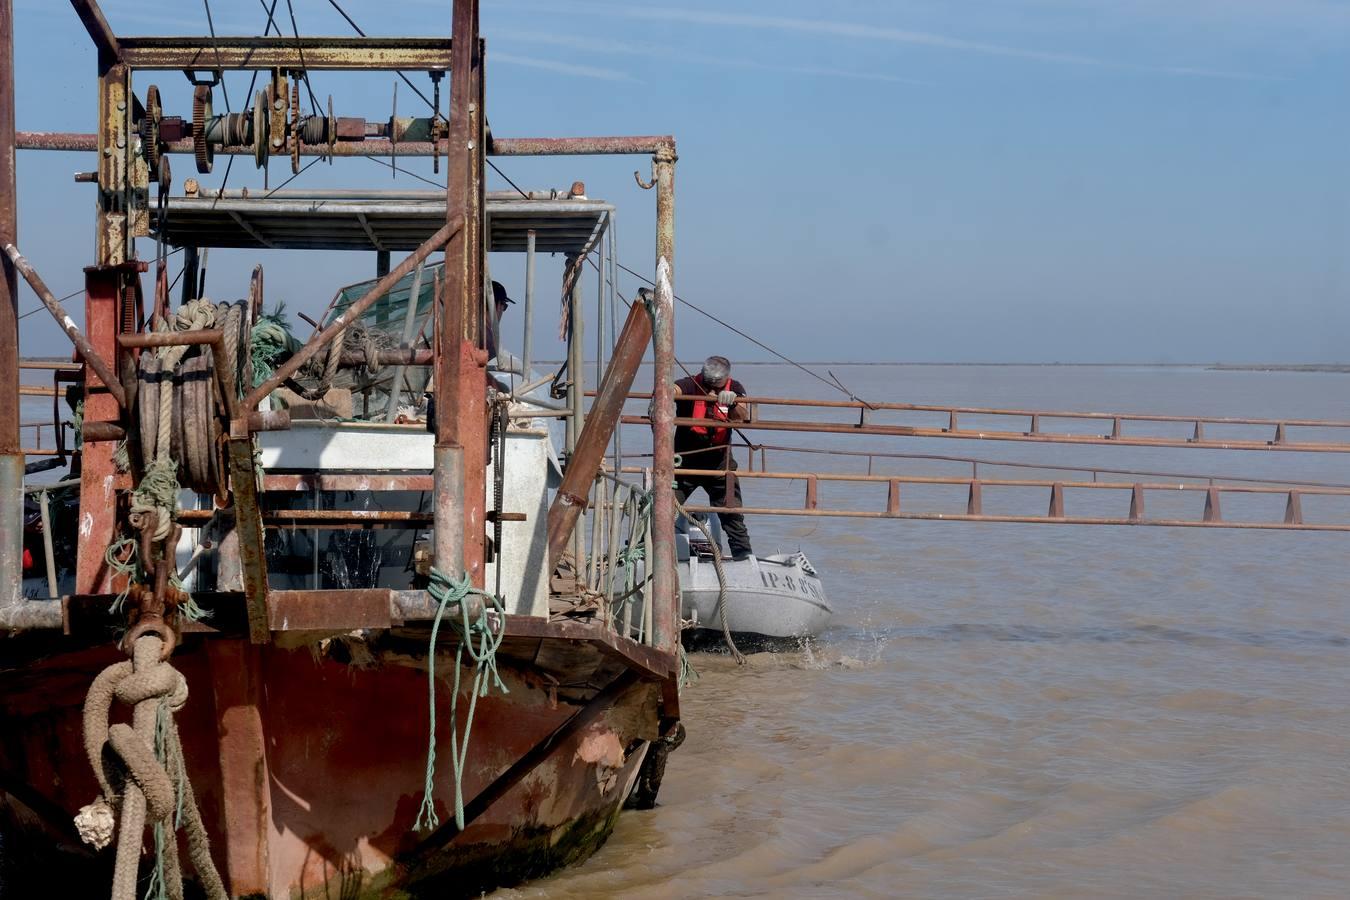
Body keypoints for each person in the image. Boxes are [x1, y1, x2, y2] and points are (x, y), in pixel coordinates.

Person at [672, 355, 754, 560]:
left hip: (719, 463)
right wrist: (663, 393)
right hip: (685, 464)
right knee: (662, 510)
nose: (711, 390)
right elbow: (673, 389)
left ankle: (743, 556)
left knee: (731, 515)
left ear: (725, 378)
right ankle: (641, 551)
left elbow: (744, 415)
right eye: (708, 384)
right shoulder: (690, 384)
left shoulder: (735, 387)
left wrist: (733, 404)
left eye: (716, 386)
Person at [486, 280, 515, 362]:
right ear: (497, 305)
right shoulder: (487, 337)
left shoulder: (477, 330)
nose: (503, 311)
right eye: (504, 306)